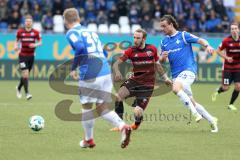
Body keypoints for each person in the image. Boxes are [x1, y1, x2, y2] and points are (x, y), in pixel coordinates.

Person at [63, 8, 131, 149]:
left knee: (86, 106)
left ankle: (89, 139)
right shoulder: (90, 31)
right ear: (79, 19)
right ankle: (123, 126)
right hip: (105, 71)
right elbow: (104, 51)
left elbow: (80, 48)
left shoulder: (71, 32)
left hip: (90, 74)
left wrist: (73, 68)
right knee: (101, 108)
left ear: (65, 21)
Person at [159, 15, 218, 133]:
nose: (162, 29)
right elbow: (161, 61)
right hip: (176, 75)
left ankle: (196, 114)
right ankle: (212, 121)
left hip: (188, 70)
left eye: (164, 26)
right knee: (192, 101)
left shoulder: (183, 35)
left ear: (171, 25)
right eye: (161, 27)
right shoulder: (163, 42)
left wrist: (208, 46)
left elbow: (200, 40)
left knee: (175, 88)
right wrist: (163, 58)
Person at [111, 28, 171, 131]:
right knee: (118, 97)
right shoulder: (131, 50)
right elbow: (116, 63)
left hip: (147, 85)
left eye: (138, 38)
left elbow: (157, 64)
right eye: (134, 37)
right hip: (134, 81)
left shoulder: (152, 49)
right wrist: (117, 71)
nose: (135, 40)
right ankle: (119, 125)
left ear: (144, 39)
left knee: (138, 111)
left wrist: (165, 78)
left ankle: (136, 124)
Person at [212, 22, 240, 111]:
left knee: (238, 86)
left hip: (238, 67)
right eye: (232, 29)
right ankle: (217, 91)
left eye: (235, 28)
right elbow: (218, 51)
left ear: (238, 30)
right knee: (225, 88)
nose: (234, 30)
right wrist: (227, 57)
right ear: (230, 30)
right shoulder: (226, 41)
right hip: (228, 67)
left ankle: (230, 105)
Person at [15, 14, 42, 100]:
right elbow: (17, 41)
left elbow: (40, 42)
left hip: (31, 56)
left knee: (25, 76)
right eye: (27, 21)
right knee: (25, 74)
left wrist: (35, 44)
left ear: (32, 23)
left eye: (30, 22)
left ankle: (18, 88)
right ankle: (27, 93)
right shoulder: (20, 32)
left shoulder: (36, 32)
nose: (28, 23)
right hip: (22, 56)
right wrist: (16, 46)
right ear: (24, 22)